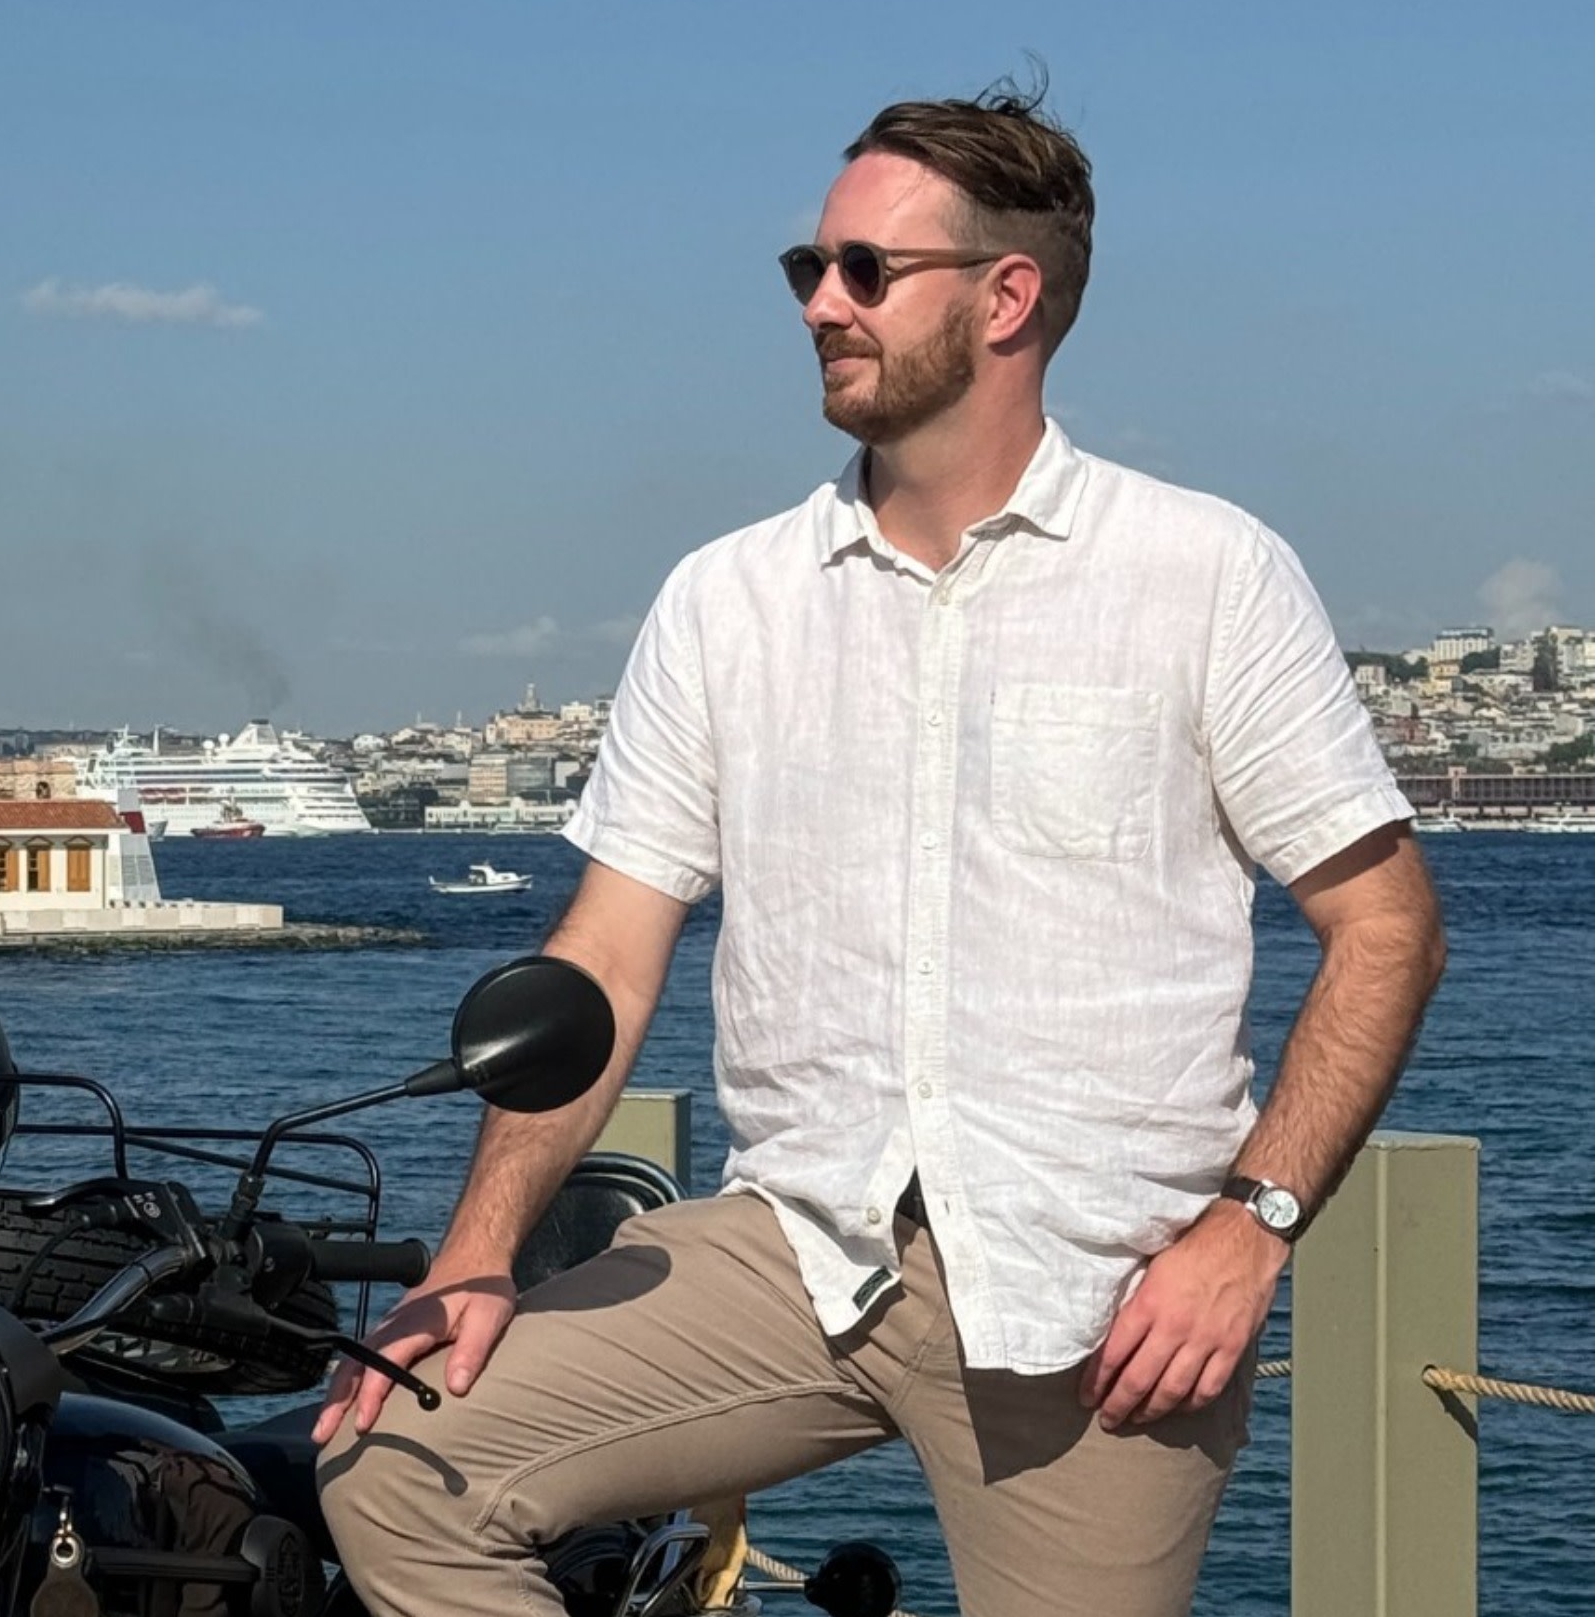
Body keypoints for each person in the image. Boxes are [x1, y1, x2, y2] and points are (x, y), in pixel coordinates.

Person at [314, 82, 1445, 1617]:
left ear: (1007, 298)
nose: (819, 305)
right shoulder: (727, 603)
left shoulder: (1206, 577)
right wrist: (475, 1253)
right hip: (803, 1247)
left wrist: (1250, 1234)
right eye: (811, 267)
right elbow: (605, 959)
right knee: (396, 1458)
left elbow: (1387, 931)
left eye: (864, 270)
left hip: (1103, 1298)